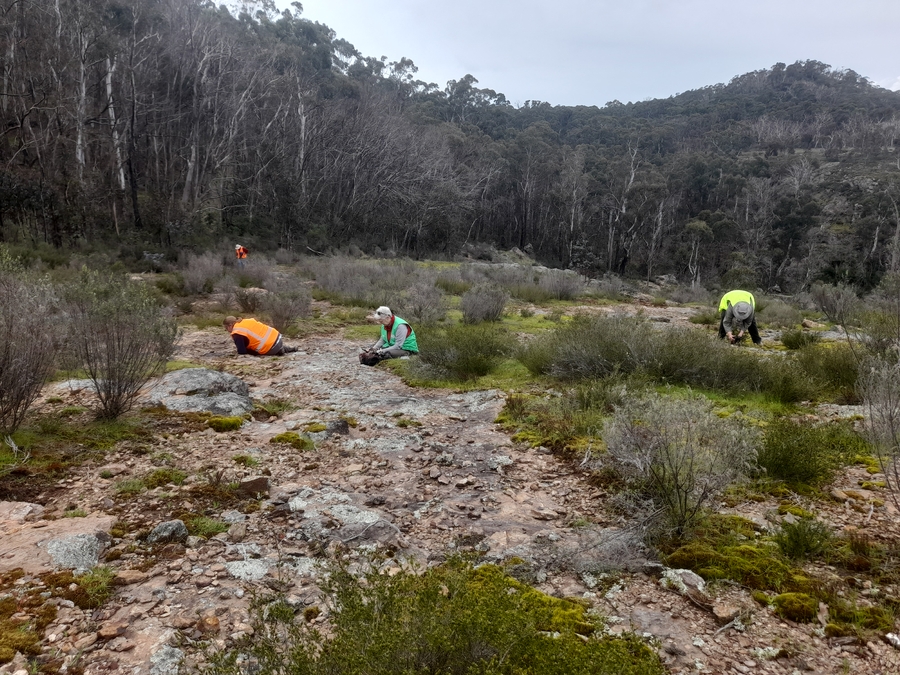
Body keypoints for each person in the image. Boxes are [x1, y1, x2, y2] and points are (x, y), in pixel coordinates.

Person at [223, 316, 297, 356]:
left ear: (230, 325)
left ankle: (277, 351)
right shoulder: (246, 321)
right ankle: (282, 348)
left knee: (250, 350)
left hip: (269, 347)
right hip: (278, 338)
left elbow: (242, 352)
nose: (227, 330)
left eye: (226, 328)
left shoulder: (237, 332)